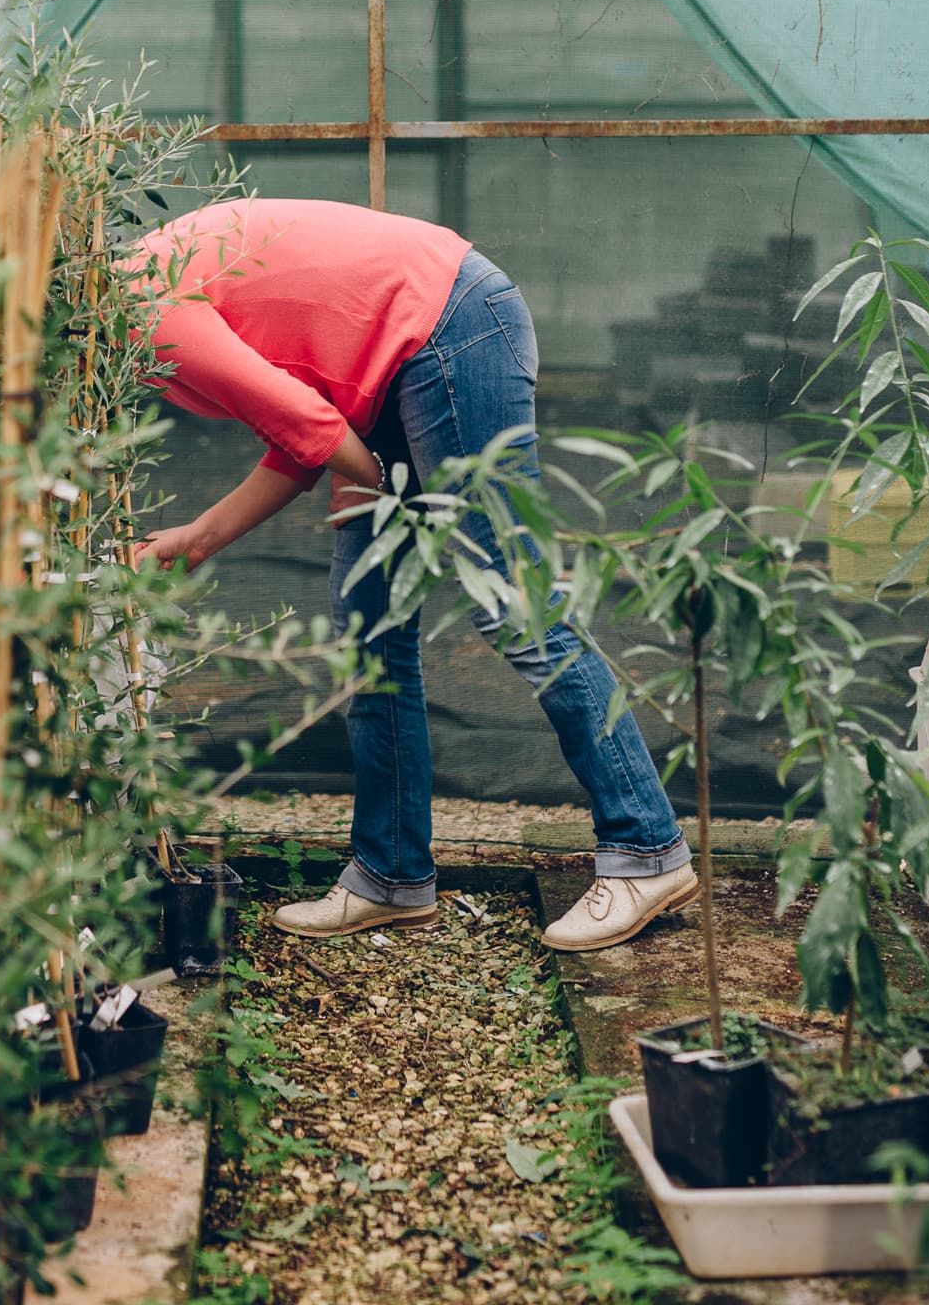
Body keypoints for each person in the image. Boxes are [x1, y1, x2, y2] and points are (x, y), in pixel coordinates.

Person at [130, 197, 695, 950]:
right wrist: (200, 539)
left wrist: (394, 496)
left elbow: (310, 429)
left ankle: (645, 851)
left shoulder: (146, 309)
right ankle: (389, 876)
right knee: (369, 622)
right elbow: (304, 430)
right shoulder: (141, 286)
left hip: (449, 327)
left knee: (509, 595)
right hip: (391, 365)